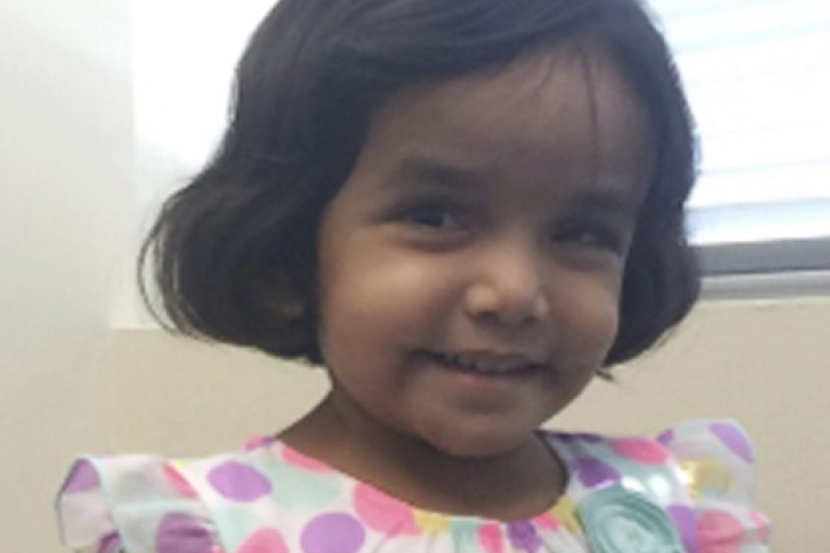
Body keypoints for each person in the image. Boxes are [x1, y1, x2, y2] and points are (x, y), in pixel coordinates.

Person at [55, 0, 771, 551]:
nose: (513, 291)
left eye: (582, 233)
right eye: (435, 216)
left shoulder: (677, 501)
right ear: (288, 248)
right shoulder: (209, 527)